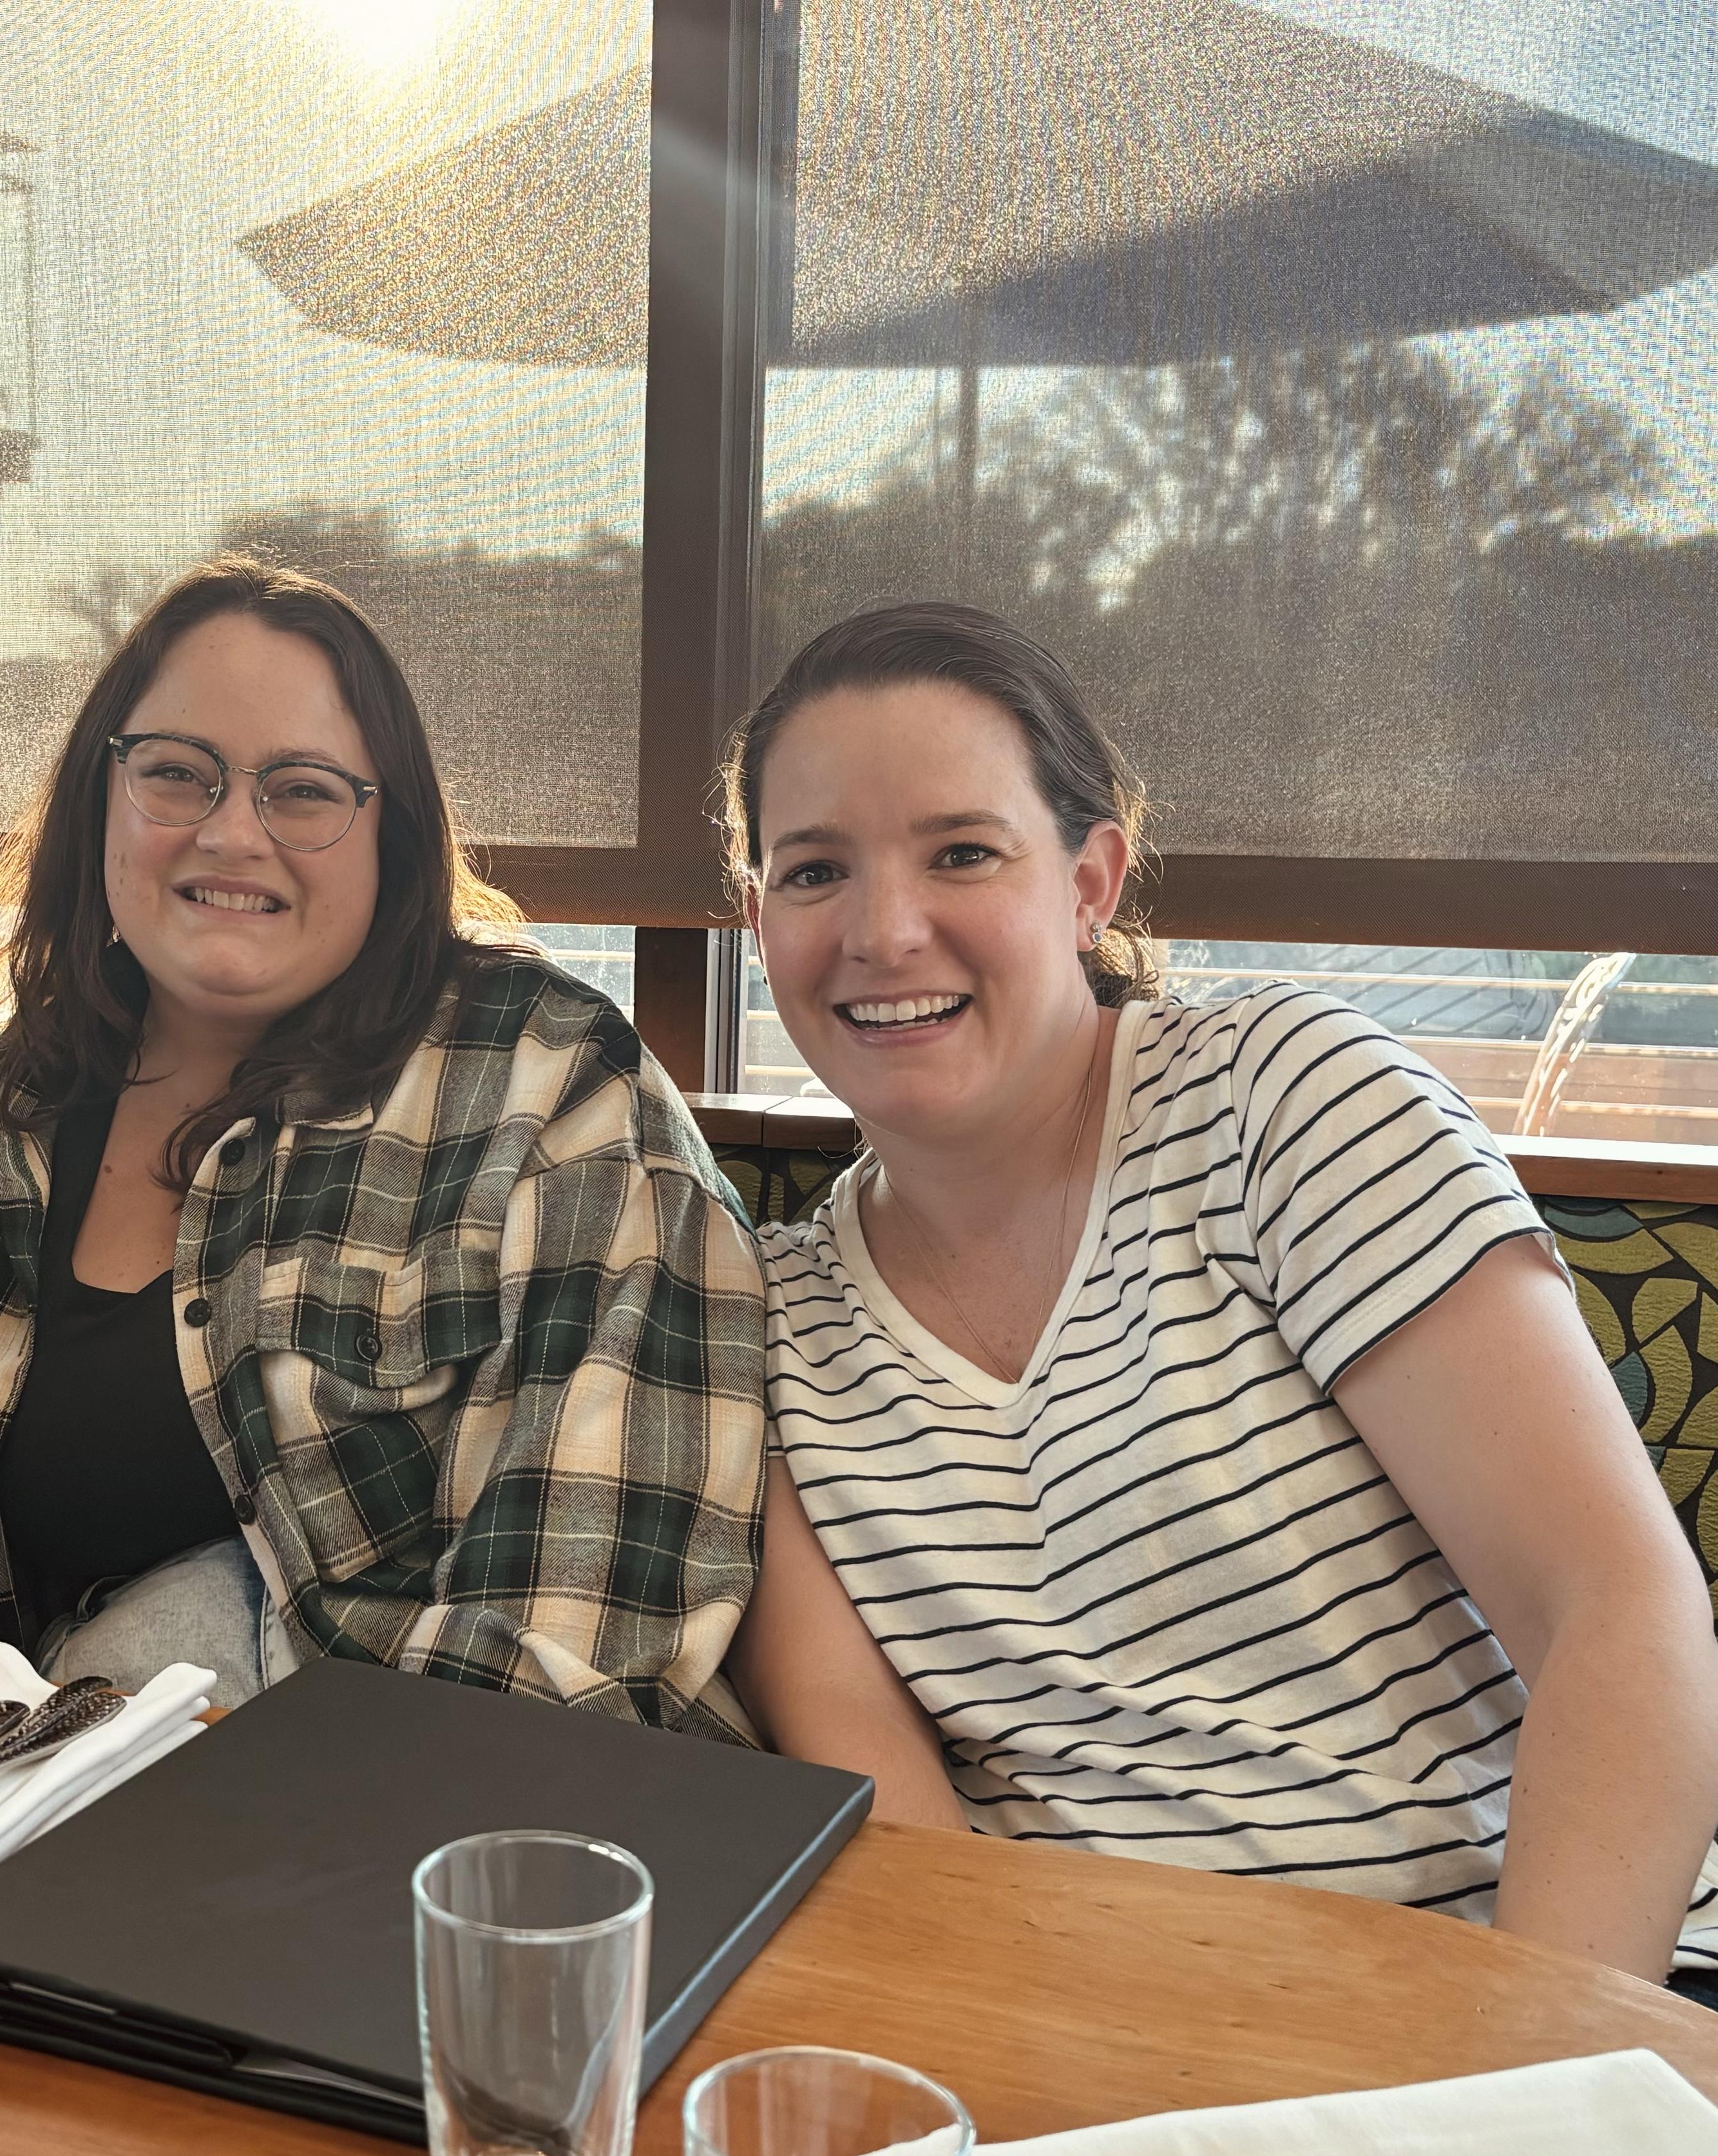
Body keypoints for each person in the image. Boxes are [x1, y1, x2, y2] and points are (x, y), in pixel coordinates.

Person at [725, 597, 1718, 1988]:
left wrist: (1532, 2070)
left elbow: (1612, 1609)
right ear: (755, 917)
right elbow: (891, 1816)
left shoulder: (1282, 1103)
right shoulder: (761, 1316)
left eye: (962, 853)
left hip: (1534, 1984)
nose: (884, 930)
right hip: (1103, 2036)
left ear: (1088, 882)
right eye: (814, 870)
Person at [0, 555, 764, 1731]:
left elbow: (581, 1638)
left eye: (302, 790)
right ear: (100, 803)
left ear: (393, 835)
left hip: (446, 1809)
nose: (232, 832)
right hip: (31, 1796)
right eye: (176, 773)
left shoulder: (551, 1089)